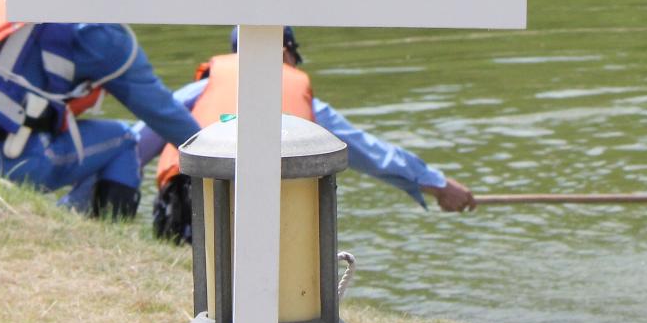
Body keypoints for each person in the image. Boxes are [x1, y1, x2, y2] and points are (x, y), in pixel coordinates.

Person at [0, 0, 202, 218]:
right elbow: (166, 117)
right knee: (124, 141)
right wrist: (227, 167)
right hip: (11, 159)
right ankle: (92, 233)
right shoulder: (103, 36)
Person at [150, 26, 476, 242]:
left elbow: (139, 137)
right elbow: (369, 152)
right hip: (265, 207)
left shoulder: (199, 90)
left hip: (187, 199)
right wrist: (439, 185)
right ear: (285, 53)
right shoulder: (303, 100)